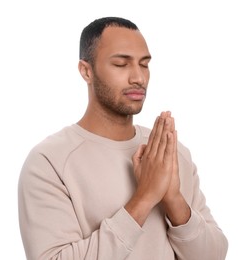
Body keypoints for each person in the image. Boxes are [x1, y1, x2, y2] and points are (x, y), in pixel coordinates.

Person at [18, 17, 228, 260]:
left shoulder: (169, 152)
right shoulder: (49, 161)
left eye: (144, 64)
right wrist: (145, 197)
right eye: (121, 64)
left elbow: (214, 255)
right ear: (86, 71)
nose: (138, 77)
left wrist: (173, 199)